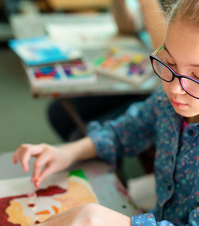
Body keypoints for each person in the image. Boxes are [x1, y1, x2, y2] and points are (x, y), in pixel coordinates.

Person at [3, 0, 199, 226]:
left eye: (198, 77)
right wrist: (68, 152)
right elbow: (127, 130)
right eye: (170, 63)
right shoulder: (172, 101)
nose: (174, 88)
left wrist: (94, 218)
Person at [48, 0, 170, 141]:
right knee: (58, 113)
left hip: (162, 93)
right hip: (141, 82)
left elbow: (167, 59)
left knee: (84, 136)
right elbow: (127, 27)